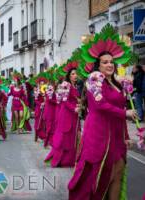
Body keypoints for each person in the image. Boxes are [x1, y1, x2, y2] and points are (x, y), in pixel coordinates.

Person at [68, 25, 137, 200]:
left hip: (116, 134)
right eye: (105, 62)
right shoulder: (94, 80)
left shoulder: (117, 84)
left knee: (118, 173)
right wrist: (126, 114)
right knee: (104, 175)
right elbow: (100, 106)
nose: (109, 65)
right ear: (97, 65)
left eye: (112, 62)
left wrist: (126, 134)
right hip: (99, 133)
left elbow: (120, 110)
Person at [45, 62, 81, 167]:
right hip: (67, 114)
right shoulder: (65, 85)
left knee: (76, 135)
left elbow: (75, 99)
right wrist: (74, 108)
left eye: (76, 74)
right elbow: (65, 101)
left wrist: (79, 106)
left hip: (74, 114)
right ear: (69, 75)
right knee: (65, 137)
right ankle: (62, 160)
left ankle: (74, 159)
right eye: (73, 74)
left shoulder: (75, 86)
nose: (75, 75)